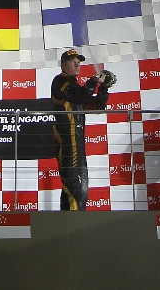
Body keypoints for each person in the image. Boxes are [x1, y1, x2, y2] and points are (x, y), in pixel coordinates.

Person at [50, 48, 115, 211]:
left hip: (77, 143)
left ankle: (66, 222)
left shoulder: (76, 87)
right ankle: (74, 223)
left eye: (79, 61)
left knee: (75, 188)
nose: (77, 64)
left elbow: (96, 106)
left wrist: (104, 88)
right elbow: (77, 96)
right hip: (67, 141)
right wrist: (92, 82)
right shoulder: (59, 81)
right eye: (73, 61)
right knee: (76, 188)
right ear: (63, 65)